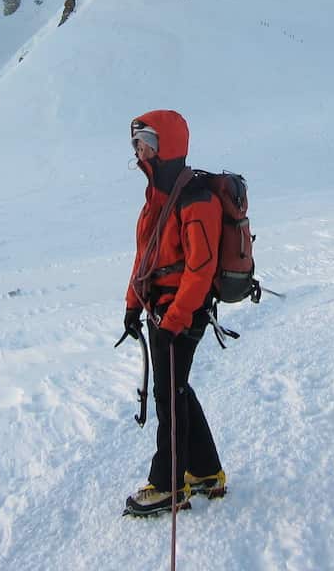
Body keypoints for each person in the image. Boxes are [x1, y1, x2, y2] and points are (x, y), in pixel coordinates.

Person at [122, 109, 227, 516]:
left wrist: (177, 317)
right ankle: (204, 471)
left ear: (165, 145)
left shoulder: (195, 200)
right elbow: (144, 259)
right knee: (176, 387)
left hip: (182, 312)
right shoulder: (157, 199)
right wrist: (133, 306)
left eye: (144, 141)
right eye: (135, 142)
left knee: (169, 392)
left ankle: (168, 484)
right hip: (160, 309)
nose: (138, 149)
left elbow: (200, 268)